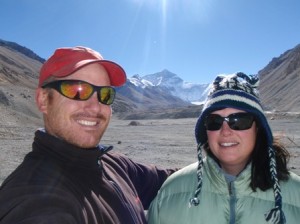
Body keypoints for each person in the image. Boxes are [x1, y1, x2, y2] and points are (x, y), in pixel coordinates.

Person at [0, 46, 176, 224]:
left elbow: (174, 181)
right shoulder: (34, 199)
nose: (95, 107)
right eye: (77, 91)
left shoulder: (114, 164)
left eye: (105, 94)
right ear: (43, 100)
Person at [148, 72, 300, 224]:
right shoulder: (170, 192)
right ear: (205, 131)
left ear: (258, 128)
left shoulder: (296, 194)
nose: (226, 131)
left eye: (239, 121)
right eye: (214, 121)